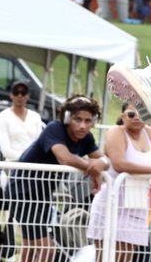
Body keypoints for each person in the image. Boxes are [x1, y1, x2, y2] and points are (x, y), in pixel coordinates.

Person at [13, 95, 108, 262]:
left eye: (88, 121)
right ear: (66, 117)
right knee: (46, 249)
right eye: (77, 119)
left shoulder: (86, 138)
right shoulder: (54, 128)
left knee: (29, 247)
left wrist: (101, 163)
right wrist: (92, 167)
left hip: (43, 194)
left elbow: (104, 160)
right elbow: (64, 157)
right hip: (23, 191)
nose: (83, 126)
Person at [88, 102, 151, 262]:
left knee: (125, 257)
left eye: (142, 113)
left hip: (137, 202)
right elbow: (120, 164)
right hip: (112, 201)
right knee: (104, 256)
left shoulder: (150, 133)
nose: (137, 118)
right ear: (123, 116)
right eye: (131, 114)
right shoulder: (116, 132)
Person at [0, 80, 44, 162]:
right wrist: (26, 159)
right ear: (11, 95)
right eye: (16, 92)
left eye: (23, 93)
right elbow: (5, 150)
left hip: (33, 167)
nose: (20, 96)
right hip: (13, 166)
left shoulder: (36, 117)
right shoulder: (2, 116)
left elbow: (39, 143)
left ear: (28, 96)